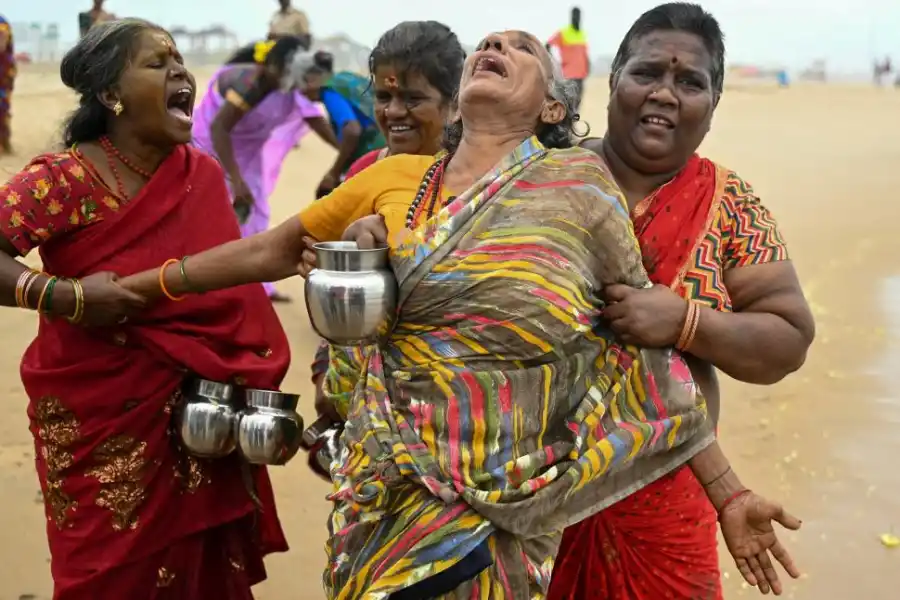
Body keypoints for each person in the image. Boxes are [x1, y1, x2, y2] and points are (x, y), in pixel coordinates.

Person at [117, 29, 801, 598]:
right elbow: (276, 254)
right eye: (486, 42)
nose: (496, 42)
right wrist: (130, 290)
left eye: (520, 47)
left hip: (502, 514)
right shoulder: (392, 184)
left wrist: (729, 492)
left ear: (553, 109)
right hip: (381, 495)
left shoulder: (577, 192)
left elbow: (637, 361)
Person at [0, 19, 289, 598]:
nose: (180, 72)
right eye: (158, 63)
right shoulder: (63, 179)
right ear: (111, 95)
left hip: (196, 423)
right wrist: (67, 297)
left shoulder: (200, 175)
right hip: (95, 422)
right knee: (102, 576)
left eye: (180, 61)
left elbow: (230, 301)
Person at [547, 4, 816, 599]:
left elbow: (787, 340)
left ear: (714, 105)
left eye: (689, 82)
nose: (665, 94)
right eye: (647, 73)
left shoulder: (729, 203)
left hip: (671, 502)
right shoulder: (541, 180)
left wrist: (686, 322)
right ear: (612, 78)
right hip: (526, 498)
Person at [308, 20, 466, 423]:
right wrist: (327, 370)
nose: (393, 112)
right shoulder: (365, 171)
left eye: (413, 98)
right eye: (383, 95)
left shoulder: (479, 182)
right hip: (366, 393)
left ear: (455, 101)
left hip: (453, 397)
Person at [192, 37, 337, 302]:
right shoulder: (249, 84)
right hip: (213, 147)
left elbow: (318, 123)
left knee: (258, 212)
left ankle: (257, 286)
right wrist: (235, 180)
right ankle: (204, 279)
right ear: (269, 65)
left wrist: (348, 149)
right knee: (212, 209)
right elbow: (218, 128)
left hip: (249, 150)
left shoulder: (291, 87)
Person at [298, 50, 386, 196]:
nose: (300, 91)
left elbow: (352, 130)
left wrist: (334, 172)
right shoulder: (346, 78)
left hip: (372, 158)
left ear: (311, 79)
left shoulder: (329, 91)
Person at [547, 7, 590, 111]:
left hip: (581, 73)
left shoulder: (582, 34)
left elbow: (584, 53)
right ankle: (566, 124)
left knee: (578, 103)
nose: (576, 18)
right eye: (574, 16)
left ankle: (572, 124)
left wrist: (588, 65)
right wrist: (554, 64)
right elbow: (548, 45)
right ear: (571, 17)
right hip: (568, 74)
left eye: (578, 16)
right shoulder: (564, 32)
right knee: (568, 102)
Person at [0, 14, 14, 154]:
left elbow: (2, 46)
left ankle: (4, 143)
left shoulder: (2, 23)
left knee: (2, 108)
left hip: (3, 71)